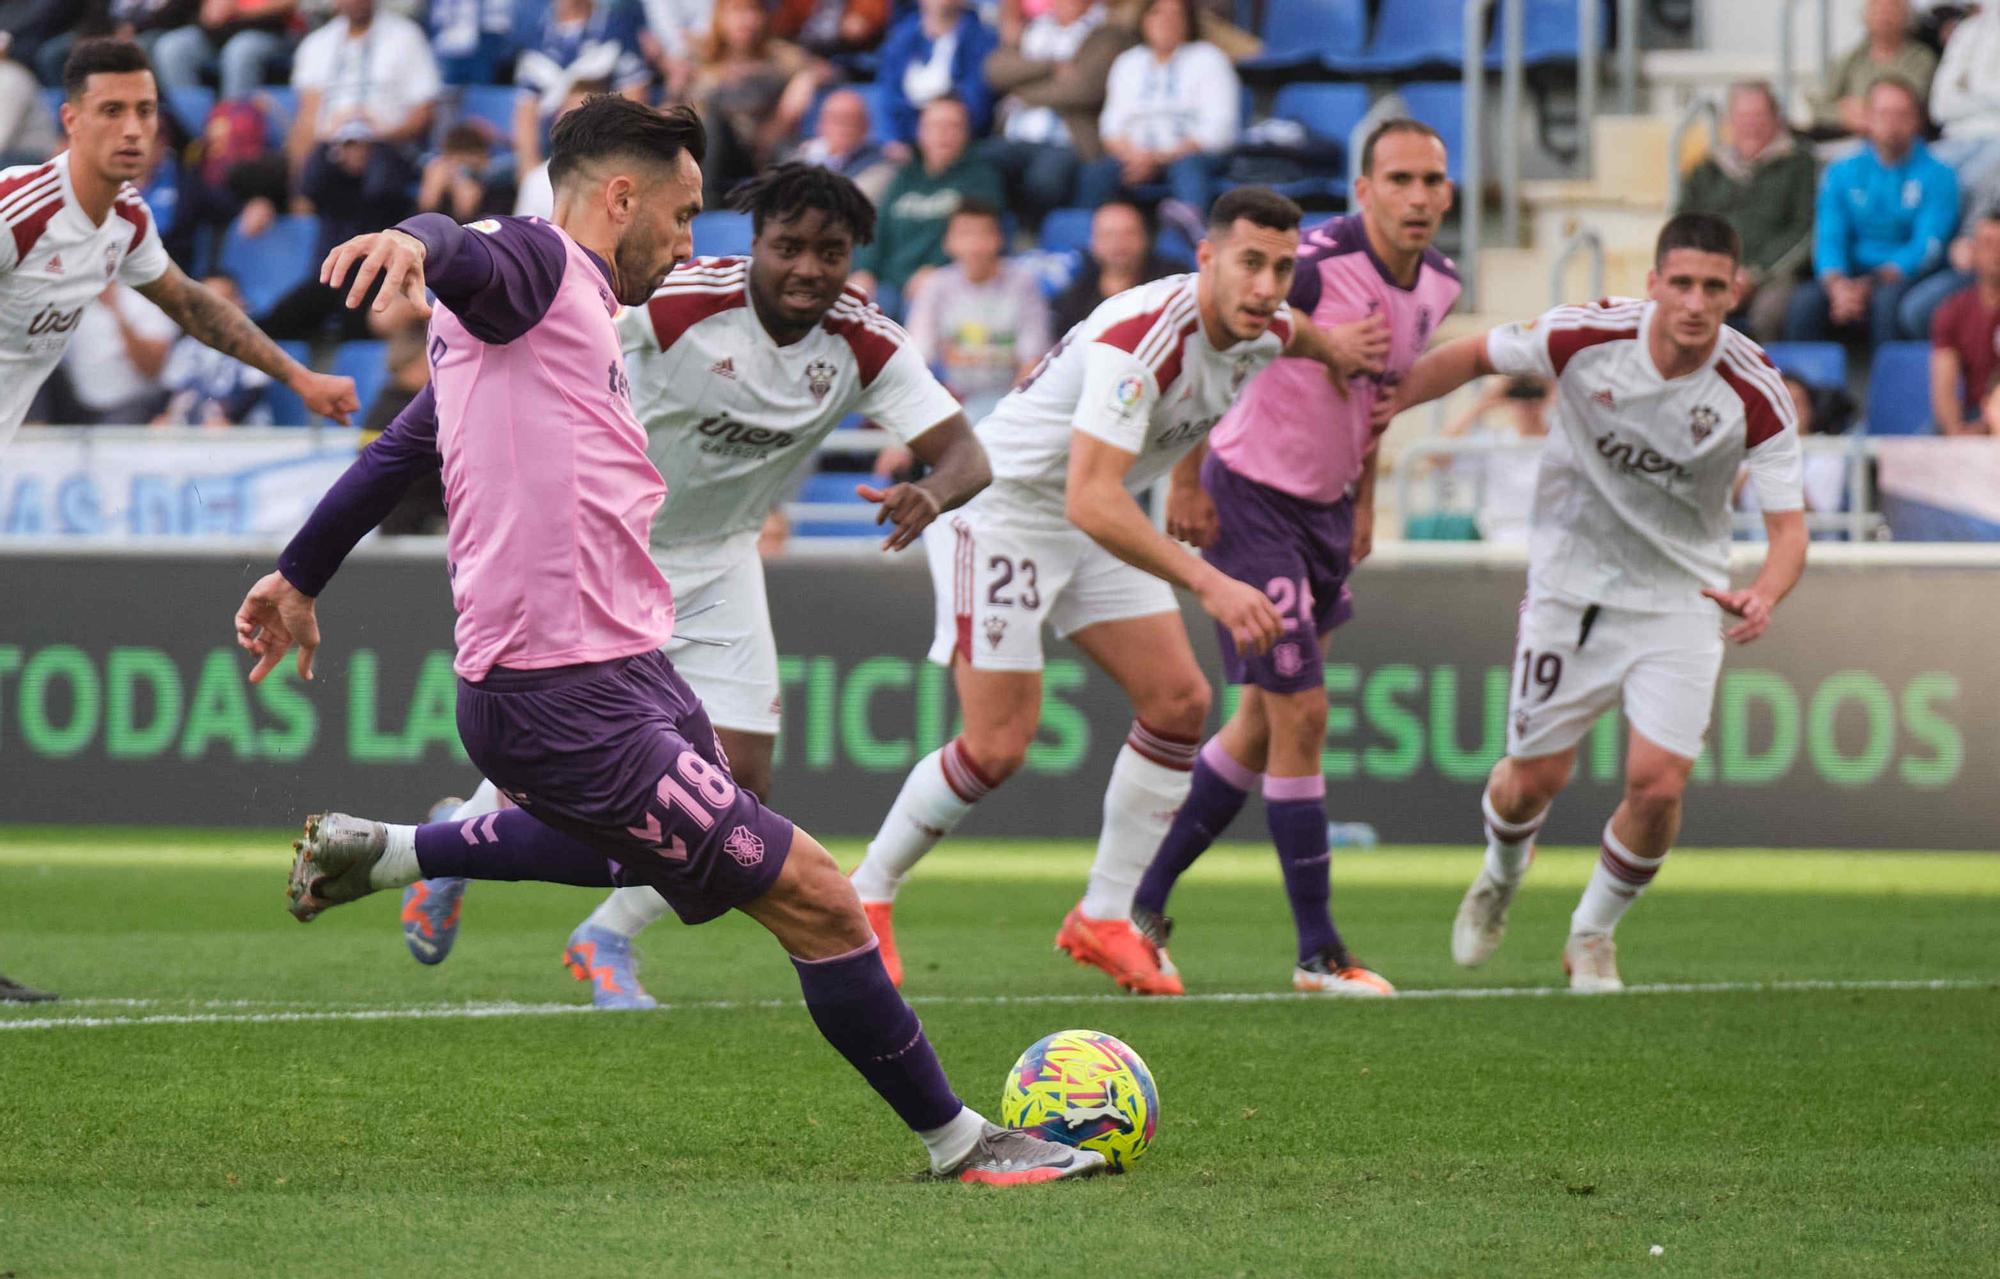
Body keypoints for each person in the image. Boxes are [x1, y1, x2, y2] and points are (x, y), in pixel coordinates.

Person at [234, 97, 1091, 1186]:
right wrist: (418, 237)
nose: (692, 245)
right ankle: (961, 1143)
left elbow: (401, 446)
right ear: (621, 196)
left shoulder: (577, 310)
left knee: (680, 858)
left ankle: (402, 851)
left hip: (627, 665)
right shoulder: (537, 265)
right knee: (819, 896)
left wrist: (299, 571)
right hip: (558, 694)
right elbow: (473, 247)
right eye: (684, 217)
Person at [392, 164, 990, 1007]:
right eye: (789, 247)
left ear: (856, 256)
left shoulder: (867, 342)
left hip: (721, 557)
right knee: (587, 765)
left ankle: (604, 934)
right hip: (610, 550)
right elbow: (542, 339)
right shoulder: (672, 302)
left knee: (738, 787)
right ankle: (452, 841)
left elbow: (970, 455)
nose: (809, 268)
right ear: (755, 247)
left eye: (831, 251)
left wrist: (931, 490)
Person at [846, 187, 1386, 994]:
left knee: (1177, 700)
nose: (1268, 285)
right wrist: (1213, 581)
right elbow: (1090, 498)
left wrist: (1335, 349)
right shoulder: (1145, 338)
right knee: (997, 745)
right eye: (1249, 263)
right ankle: (867, 895)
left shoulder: (1263, 324)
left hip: (1092, 512)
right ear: (1206, 259)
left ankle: (1103, 914)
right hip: (1004, 510)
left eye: (1281, 267)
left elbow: (1286, 340)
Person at [1392, 212, 1808, 992]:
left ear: (1736, 291)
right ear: (1652, 284)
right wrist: (1377, 415)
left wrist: (1765, 592)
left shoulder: (1755, 391)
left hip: (1682, 599)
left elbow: (1790, 530)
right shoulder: (1585, 335)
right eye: (1679, 283)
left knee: (1659, 784)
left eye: (1712, 287)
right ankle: (1501, 874)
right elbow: (1471, 355)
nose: (1693, 301)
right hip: (1570, 590)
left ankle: (1592, 932)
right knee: (1529, 782)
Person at [1121, 120, 1457, 997]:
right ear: (1364, 189)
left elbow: (1376, 404)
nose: (1418, 196)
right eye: (1400, 179)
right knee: (1303, 714)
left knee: (1265, 724)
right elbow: (1213, 343)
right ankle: (1319, 953)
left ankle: (1140, 904)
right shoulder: (1306, 264)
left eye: (1432, 180)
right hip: (1249, 497)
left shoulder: (1442, 285)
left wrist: (1367, 501)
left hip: (1325, 512)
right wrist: (1187, 479)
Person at [0, 38, 354, 456]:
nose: (132, 129)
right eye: (112, 111)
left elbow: (192, 305)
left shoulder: (127, 218)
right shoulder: (18, 210)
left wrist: (301, 379)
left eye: (144, 111)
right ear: (72, 120)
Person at [1784, 78, 1957, 348]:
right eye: (1883, 113)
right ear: (1867, 117)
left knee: (1886, 303)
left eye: (1901, 115)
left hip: (1905, 276)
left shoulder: (1939, 174)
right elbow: (1830, 235)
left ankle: (1890, 388)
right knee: (1804, 302)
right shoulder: (1842, 171)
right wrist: (1837, 284)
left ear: (1917, 121)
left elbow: (1928, 245)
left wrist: (1872, 283)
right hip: (1849, 274)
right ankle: (1798, 389)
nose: (1892, 123)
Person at [1674, 82, 1816, 342]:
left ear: (1776, 120)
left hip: (1774, 275)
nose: (1751, 124)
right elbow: (1681, 229)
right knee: (1676, 308)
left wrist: (1755, 274)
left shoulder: (1800, 165)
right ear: (1730, 121)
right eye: (1743, 116)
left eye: (1759, 116)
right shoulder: (1706, 170)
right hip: (1711, 274)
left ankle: (1766, 379)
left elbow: (1805, 230)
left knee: (1770, 313)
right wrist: (1714, 273)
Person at [1075, 0, 1238, 218]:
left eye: (1175, 14)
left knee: (1188, 169)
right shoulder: (1128, 62)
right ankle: (1086, 244)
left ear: (1188, 20)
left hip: (1190, 155)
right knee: (1097, 173)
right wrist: (1135, 157)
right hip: (1133, 157)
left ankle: (1189, 240)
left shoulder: (1209, 59)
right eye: (1157, 13)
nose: (1166, 21)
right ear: (1143, 20)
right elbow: (1110, 127)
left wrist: (1159, 158)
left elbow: (1220, 129)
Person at [849, 95, 1002, 317]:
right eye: (935, 126)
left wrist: (939, 269)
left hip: (944, 282)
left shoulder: (980, 179)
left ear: (967, 133)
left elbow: (979, 235)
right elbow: (877, 229)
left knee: (923, 303)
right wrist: (864, 269)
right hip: (890, 282)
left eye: (953, 126)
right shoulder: (904, 177)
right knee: (858, 306)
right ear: (921, 132)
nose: (943, 134)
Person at [982, 0, 1132, 226]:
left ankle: (1034, 235)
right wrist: (1050, 66)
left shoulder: (1107, 33)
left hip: (1067, 140)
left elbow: (1085, 88)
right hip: (1014, 135)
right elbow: (995, 71)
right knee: (980, 165)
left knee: (1045, 178)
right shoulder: (1032, 28)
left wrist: (1022, 94)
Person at [905, 198, 1054, 423]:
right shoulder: (935, 286)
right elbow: (917, 359)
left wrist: (1010, 414)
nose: (975, 245)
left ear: (999, 239)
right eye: (965, 234)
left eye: (984, 234)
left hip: (1010, 401)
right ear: (948, 242)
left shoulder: (1023, 283)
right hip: (951, 398)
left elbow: (1032, 361)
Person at [685, 0, 828, 203]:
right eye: (736, 11)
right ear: (720, 18)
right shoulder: (702, 60)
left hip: (769, 148)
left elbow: (828, 72)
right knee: (710, 126)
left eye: (753, 11)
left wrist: (805, 81)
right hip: (719, 152)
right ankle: (706, 210)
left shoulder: (782, 57)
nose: (746, 20)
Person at [512, 0, 650, 181]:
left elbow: (635, 99)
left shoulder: (617, 28)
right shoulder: (535, 33)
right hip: (549, 151)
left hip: (602, 149)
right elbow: (525, 108)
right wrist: (529, 167)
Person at [1439, 373, 1551, 546]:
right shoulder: (1494, 443)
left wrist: (1556, 391)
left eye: (1535, 395)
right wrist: (1481, 405)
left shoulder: (1561, 443)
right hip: (1503, 544)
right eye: (1517, 395)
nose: (1526, 405)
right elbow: (1437, 457)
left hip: (1550, 541)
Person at [156, 272, 274, 425]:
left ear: (240, 303)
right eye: (204, 302)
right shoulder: (187, 346)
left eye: (220, 301)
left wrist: (229, 420)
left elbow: (253, 393)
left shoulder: (254, 344)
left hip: (242, 431)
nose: (212, 310)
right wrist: (162, 415)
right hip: (193, 430)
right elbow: (169, 389)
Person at [874, 0, 997, 146]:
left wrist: (941, 129)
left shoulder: (980, 39)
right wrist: (893, 140)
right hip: (907, 140)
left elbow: (977, 98)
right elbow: (888, 94)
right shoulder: (901, 38)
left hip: (959, 139)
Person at [1809, 0, 1936, 138]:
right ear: (1865, 16)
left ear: (1906, 17)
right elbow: (1818, 106)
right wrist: (1841, 115)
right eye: (1877, 10)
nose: (1884, 16)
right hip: (1849, 141)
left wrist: (1869, 114)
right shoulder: (1851, 58)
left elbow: (1910, 107)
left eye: (1891, 10)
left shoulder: (1921, 59)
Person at [1050, 199, 1176, 334]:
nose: (1119, 243)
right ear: (1093, 243)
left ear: (1145, 238)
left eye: (1129, 233)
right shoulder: (1073, 300)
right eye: (1108, 235)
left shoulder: (1173, 285)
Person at [1929, 211, 2000, 435]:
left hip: (1994, 415)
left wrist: (1988, 426)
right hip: (1973, 412)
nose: (1997, 252)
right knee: (1923, 444)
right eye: (1988, 243)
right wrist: (1955, 431)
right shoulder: (1953, 310)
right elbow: (1944, 387)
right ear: (1973, 251)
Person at [151, 0, 295, 104]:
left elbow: (291, 4)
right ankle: (195, 129)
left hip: (270, 31)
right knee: (172, 48)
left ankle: (232, 130)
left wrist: (240, 10)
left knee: (240, 51)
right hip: (220, 33)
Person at [785, 87, 896, 203]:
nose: (844, 128)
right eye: (836, 119)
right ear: (820, 124)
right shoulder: (799, 158)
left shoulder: (880, 165)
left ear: (866, 127)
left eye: (852, 121)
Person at [416, 123, 514, 223]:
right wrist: (429, 201)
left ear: (485, 159)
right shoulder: (436, 180)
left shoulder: (500, 190)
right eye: (453, 166)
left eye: (467, 168)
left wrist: (466, 212)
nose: (458, 173)